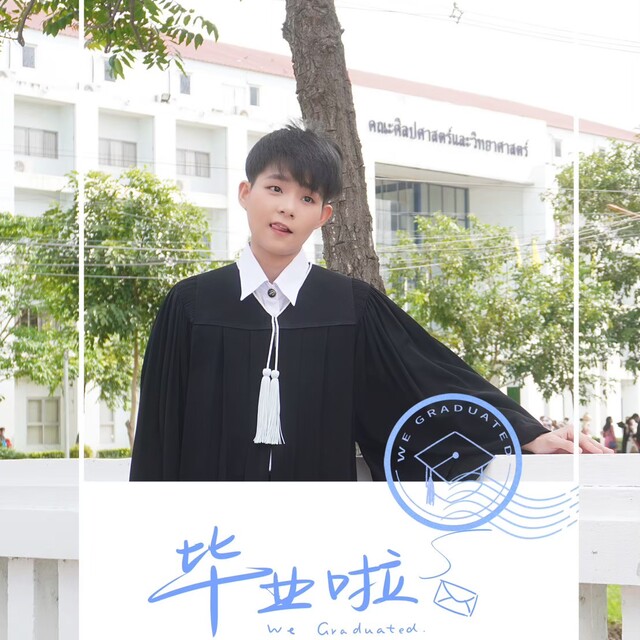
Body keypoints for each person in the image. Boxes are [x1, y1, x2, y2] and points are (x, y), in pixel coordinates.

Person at [129, 123, 610, 481]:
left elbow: (426, 382)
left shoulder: (350, 308)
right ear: (245, 193)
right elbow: (157, 435)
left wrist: (521, 431)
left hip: (316, 539)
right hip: (208, 538)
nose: (287, 207)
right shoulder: (191, 306)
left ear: (324, 216)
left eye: (307, 198)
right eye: (275, 188)